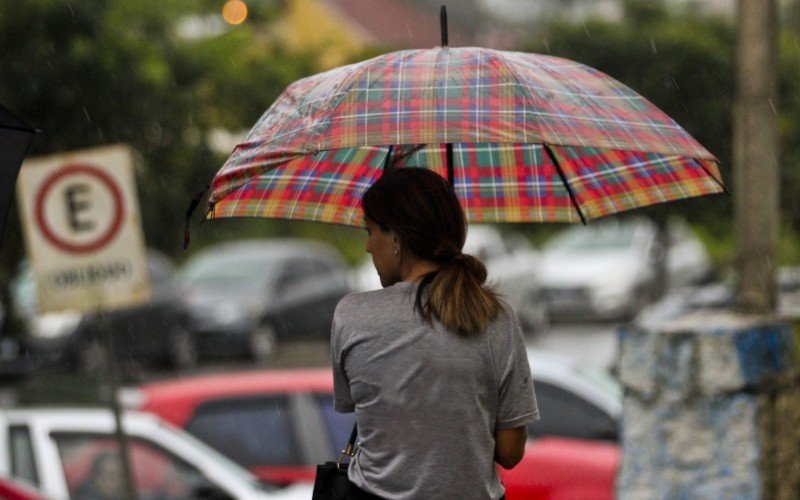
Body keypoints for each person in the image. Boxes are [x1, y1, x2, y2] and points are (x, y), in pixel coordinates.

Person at [331, 167, 539, 500]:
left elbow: (364, 412)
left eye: (370, 231)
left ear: (396, 238)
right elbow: (511, 452)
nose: (369, 246)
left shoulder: (352, 315)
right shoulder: (496, 316)